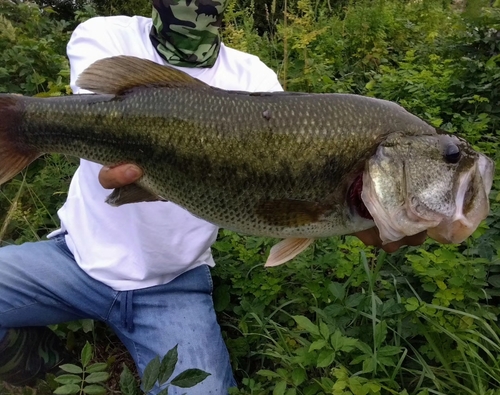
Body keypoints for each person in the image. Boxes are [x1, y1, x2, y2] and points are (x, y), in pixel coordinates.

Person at [0, 1, 426, 393]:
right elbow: (105, 115)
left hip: (173, 285)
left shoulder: (253, 77)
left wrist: (350, 206)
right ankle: (33, 360)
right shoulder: (106, 34)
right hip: (74, 258)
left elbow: (283, 190)